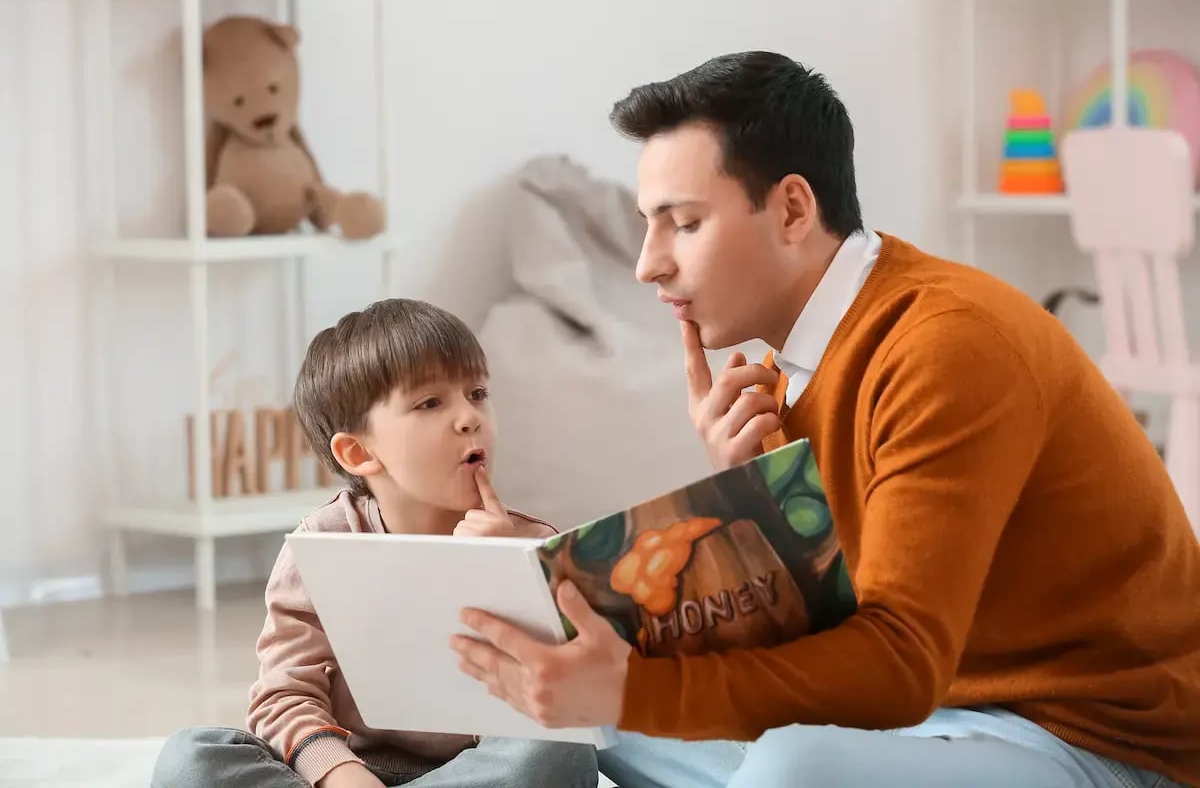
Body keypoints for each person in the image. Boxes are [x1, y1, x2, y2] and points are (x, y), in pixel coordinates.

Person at [451, 52, 1200, 788]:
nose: (649, 263)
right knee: (582, 712)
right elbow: (804, 638)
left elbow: (900, 665)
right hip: (921, 726)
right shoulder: (785, 374)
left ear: (792, 210)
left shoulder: (946, 345)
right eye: (651, 225)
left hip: (1090, 740)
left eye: (682, 223)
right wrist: (735, 492)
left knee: (786, 764)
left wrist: (634, 689)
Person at [152, 299, 598, 788]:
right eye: (431, 403)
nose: (469, 417)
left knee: (561, 751)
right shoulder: (320, 543)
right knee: (191, 759)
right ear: (358, 451)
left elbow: (567, 696)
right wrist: (340, 774)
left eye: (477, 392)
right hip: (344, 772)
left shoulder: (534, 545)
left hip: (475, 771)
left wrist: (504, 575)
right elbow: (285, 696)